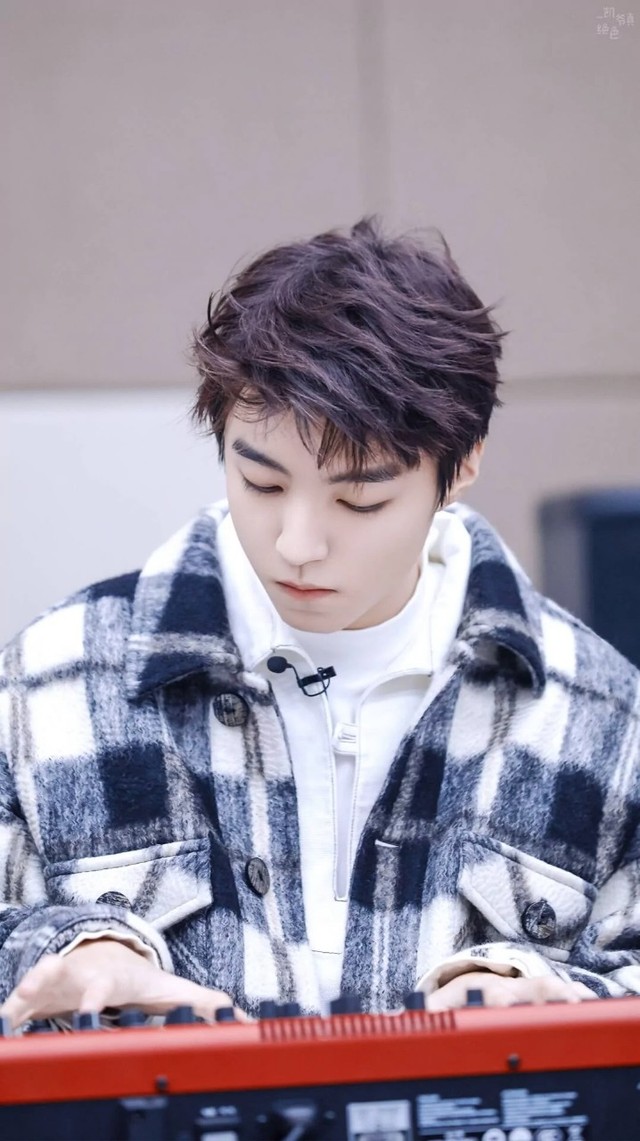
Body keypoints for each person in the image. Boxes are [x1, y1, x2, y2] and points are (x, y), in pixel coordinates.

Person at [1, 219, 639, 1030]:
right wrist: (64, 951)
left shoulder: (598, 712)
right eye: (262, 484)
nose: (297, 545)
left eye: (360, 499)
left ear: (464, 462)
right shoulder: (52, 678)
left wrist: (558, 999)